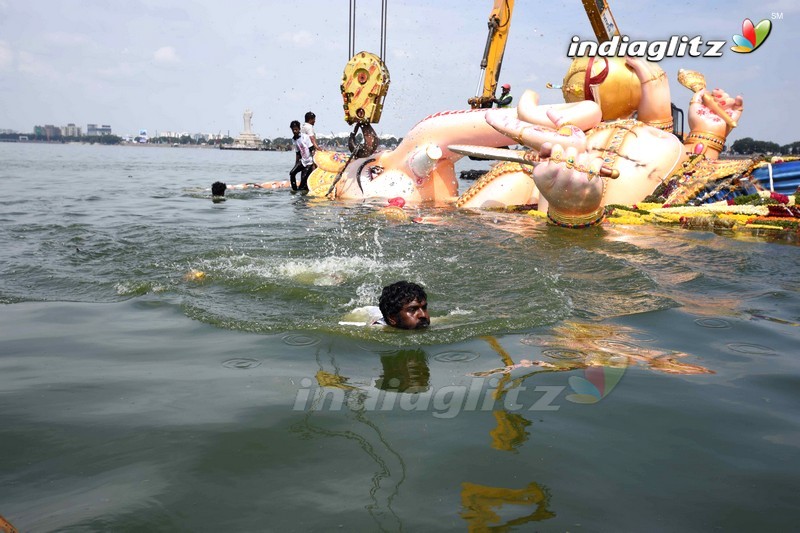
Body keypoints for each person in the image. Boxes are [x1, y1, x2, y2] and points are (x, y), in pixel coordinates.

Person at [289, 120, 314, 191]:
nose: (294, 131)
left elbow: (312, 149)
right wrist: (296, 164)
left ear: (299, 129)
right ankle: (294, 190)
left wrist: (314, 164)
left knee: (302, 184)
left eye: (296, 129)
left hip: (309, 162)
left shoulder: (305, 137)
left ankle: (301, 190)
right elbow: (298, 153)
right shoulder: (293, 139)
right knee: (292, 173)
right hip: (302, 162)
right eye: (293, 130)